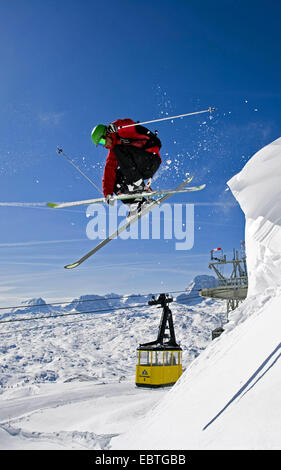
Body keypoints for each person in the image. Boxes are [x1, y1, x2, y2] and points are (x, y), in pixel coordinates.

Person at [91, 118, 162, 215]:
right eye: (100, 144)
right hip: (140, 170)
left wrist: (116, 126)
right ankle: (137, 204)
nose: (104, 145)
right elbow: (108, 171)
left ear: (107, 134)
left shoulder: (122, 133)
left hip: (150, 159)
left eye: (102, 141)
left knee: (118, 149)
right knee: (115, 177)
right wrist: (108, 193)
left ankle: (137, 185)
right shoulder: (114, 150)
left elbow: (129, 124)